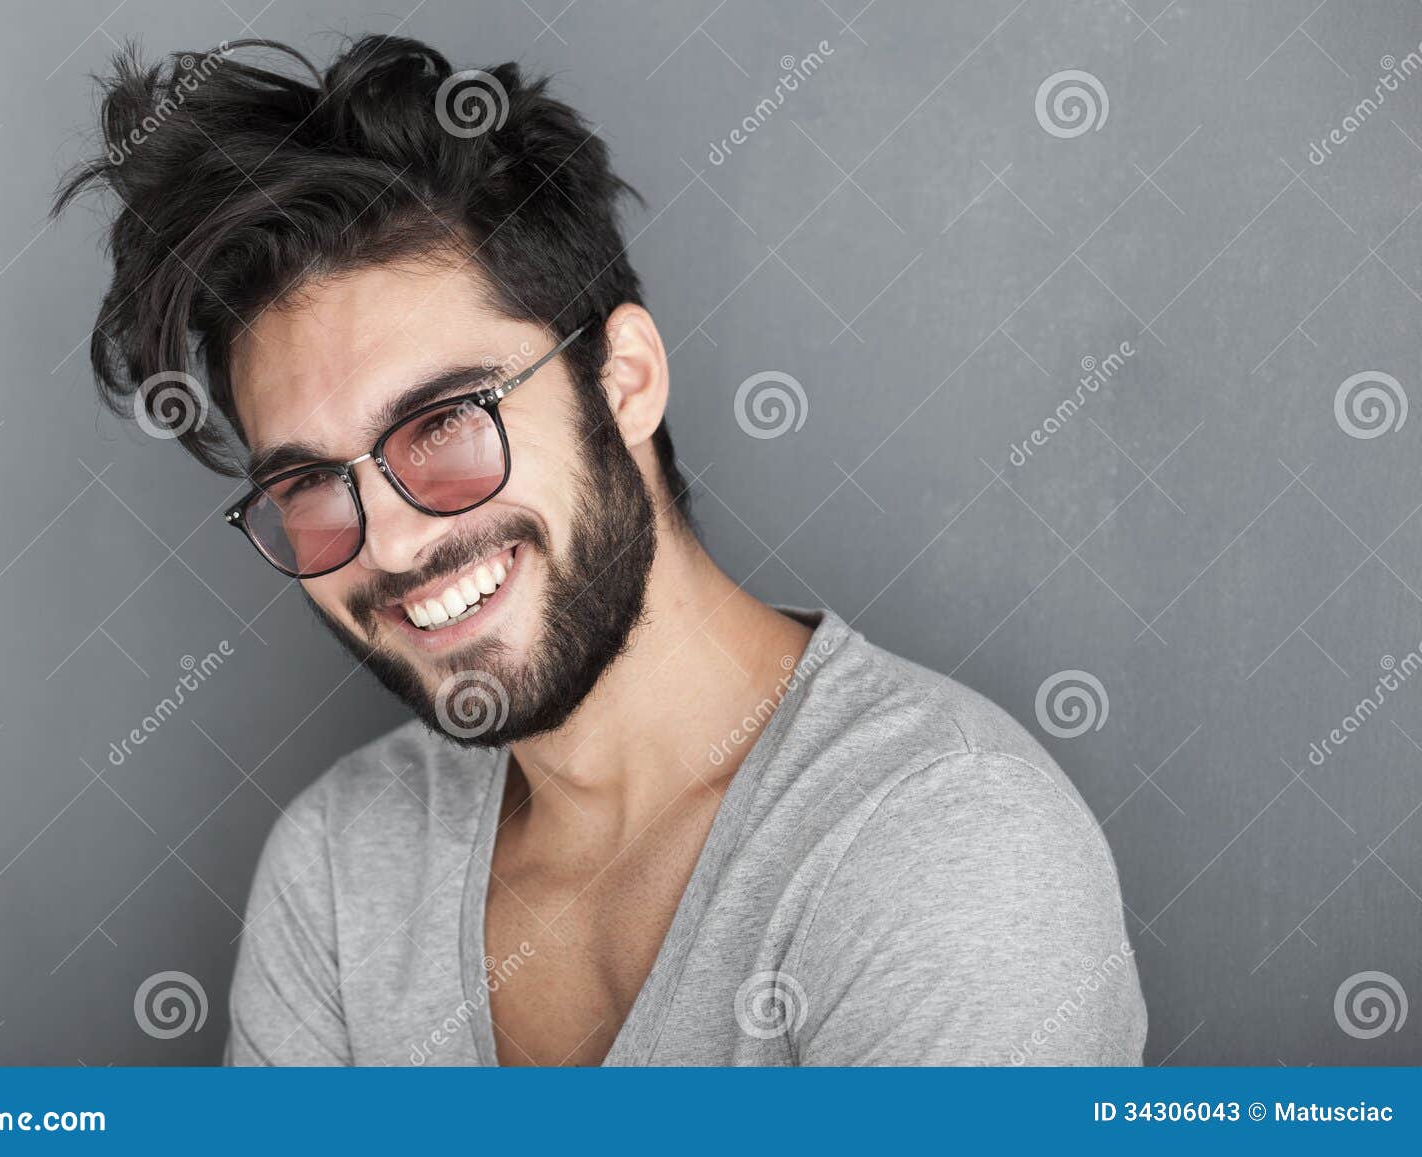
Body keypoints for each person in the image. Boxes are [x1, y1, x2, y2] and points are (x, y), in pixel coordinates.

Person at [57, 33, 1146, 1066]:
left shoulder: (944, 841)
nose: (386, 537)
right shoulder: (344, 866)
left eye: (440, 423)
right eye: (306, 483)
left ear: (622, 379)